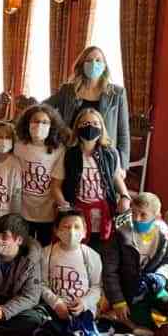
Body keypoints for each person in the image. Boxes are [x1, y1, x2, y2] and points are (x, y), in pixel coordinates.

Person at [51, 108, 131, 252]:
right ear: (77, 127)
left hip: (104, 212)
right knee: (79, 251)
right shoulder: (69, 154)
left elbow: (116, 177)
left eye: (95, 123)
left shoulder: (111, 153)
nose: (90, 126)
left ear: (101, 126)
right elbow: (56, 185)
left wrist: (125, 196)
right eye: (85, 123)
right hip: (77, 214)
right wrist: (62, 203)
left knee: (103, 251)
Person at [44, 46, 130, 169]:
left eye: (98, 60)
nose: (94, 64)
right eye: (89, 60)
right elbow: (44, 108)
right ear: (82, 65)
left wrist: (122, 166)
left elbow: (123, 133)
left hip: (104, 157)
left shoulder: (117, 94)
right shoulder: (68, 90)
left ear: (105, 66)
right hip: (71, 153)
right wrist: (62, 128)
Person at [102, 193, 168, 331]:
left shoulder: (163, 236)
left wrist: (161, 277)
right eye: (133, 213)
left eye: (143, 215)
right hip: (128, 291)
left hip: (152, 287)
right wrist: (118, 301)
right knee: (142, 322)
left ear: (156, 216)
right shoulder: (120, 235)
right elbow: (109, 271)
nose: (136, 219)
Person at [14, 104, 67, 246]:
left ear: (52, 126)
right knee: (24, 247)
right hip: (23, 208)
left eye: (45, 122)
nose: (39, 125)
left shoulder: (59, 150)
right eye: (35, 121)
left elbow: (57, 183)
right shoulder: (19, 146)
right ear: (27, 123)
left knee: (44, 246)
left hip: (47, 211)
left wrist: (63, 205)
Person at [40, 210, 103, 320]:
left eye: (77, 227)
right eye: (66, 227)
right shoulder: (46, 253)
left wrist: (84, 303)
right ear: (56, 230)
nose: (71, 231)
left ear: (84, 231)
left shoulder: (92, 256)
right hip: (52, 308)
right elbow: (41, 284)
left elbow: (96, 287)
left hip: (83, 309)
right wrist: (56, 303)